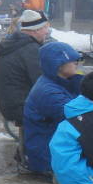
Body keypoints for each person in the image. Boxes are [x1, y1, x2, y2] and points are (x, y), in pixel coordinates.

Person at [22, 41, 83, 174]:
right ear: (58, 65)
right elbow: (78, 119)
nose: (76, 63)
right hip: (47, 156)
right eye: (72, 60)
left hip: (51, 147)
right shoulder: (48, 91)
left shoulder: (59, 82)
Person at [0, 9, 49, 126]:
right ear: (36, 30)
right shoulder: (31, 49)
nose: (47, 31)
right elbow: (41, 81)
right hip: (20, 107)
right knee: (65, 110)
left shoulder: (15, 43)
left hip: (7, 104)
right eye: (45, 28)